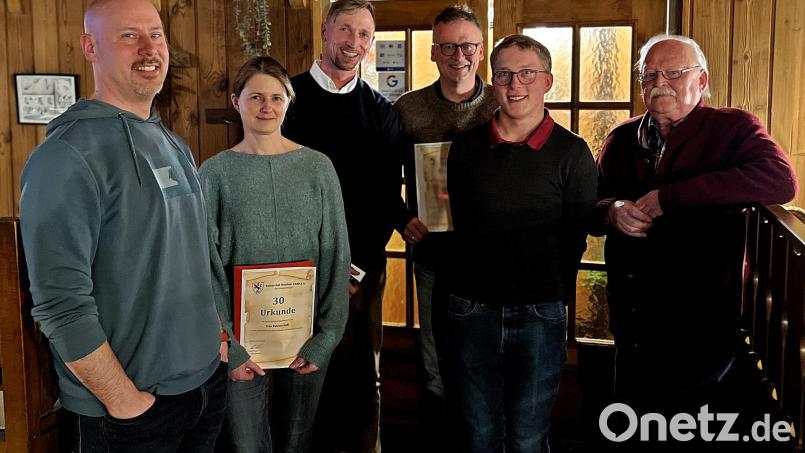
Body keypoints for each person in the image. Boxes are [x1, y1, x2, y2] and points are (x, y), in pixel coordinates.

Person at [18, 0, 227, 452]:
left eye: (156, 34)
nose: (149, 48)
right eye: (129, 36)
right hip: (131, 414)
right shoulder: (64, 157)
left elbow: (195, 260)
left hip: (204, 387)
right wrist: (126, 402)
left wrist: (221, 347)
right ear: (90, 47)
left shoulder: (172, 141)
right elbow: (60, 304)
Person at [593, 34, 797, 449]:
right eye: (649, 75)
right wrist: (612, 210)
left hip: (702, 317)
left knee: (694, 429)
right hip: (633, 312)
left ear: (701, 81)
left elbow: (780, 181)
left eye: (673, 72)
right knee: (636, 423)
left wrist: (671, 198)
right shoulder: (621, 138)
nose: (660, 82)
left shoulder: (733, 128)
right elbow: (590, 202)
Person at [446, 34, 597, 453]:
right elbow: (460, 225)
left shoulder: (573, 153)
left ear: (547, 81)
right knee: (479, 434)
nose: (515, 85)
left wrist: (551, 295)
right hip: (472, 307)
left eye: (527, 73)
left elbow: (576, 236)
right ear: (493, 82)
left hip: (541, 309)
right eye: (505, 75)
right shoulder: (466, 147)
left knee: (530, 435)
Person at [200, 56, 350, 453]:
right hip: (241, 341)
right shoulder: (215, 173)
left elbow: (337, 253)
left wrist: (328, 336)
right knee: (248, 444)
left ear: (289, 101)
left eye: (276, 97)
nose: (267, 107)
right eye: (256, 97)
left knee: (297, 441)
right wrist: (228, 345)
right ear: (237, 102)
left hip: (306, 336)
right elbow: (205, 265)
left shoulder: (318, 168)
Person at [281, 0, 403, 451]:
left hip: (360, 270)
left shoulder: (382, 112)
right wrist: (306, 268)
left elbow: (387, 199)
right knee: (294, 372)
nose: (354, 42)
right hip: (291, 268)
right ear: (326, 30)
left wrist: (352, 271)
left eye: (364, 35)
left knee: (358, 375)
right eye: (346, 30)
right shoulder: (285, 98)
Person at [392, 5, 497, 448]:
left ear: (481, 50)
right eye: (449, 46)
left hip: (493, 261)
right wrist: (402, 218)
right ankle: (439, 442)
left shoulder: (501, 102)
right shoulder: (407, 109)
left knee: (487, 358)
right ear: (434, 52)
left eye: (468, 45)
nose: (459, 55)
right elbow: (381, 178)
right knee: (434, 360)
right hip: (433, 255)